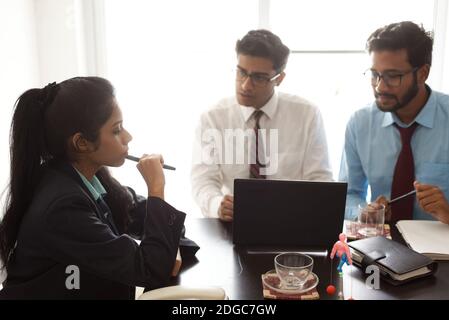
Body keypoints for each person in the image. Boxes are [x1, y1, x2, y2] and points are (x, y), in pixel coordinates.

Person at [0, 77, 186, 299]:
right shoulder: (63, 206)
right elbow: (149, 270)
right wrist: (156, 187)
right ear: (82, 143)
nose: (128, 137)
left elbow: (141, 214)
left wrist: (166, 243)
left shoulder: (86, 177)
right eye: (117, 130)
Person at [191, 29, 332, 220]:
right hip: (231, 224)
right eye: (242, 72)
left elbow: (320, 182)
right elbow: (203, 180)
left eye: (259, 78)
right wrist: (217, 205)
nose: (245, 85)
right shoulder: (213, 117)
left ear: (279, 79)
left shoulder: (307, 115)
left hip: (289, 221)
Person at [339, 21, 449, 225]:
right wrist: (364, 212)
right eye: (375, 74)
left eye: (393, 76)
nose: (380, 86)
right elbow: (348, 195)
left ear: (423, 73)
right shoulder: (359, 123)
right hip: (380, 246)